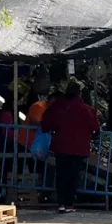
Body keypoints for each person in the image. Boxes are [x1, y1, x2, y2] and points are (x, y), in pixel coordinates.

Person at [41, 79, 101, 214]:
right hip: (79, 148)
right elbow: (95, 129)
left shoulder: (57, 106)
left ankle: (61, 203)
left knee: (61, 174)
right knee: (73, 176)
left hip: (61, 146)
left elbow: (46, 124)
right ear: (79, 93)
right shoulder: (86, 109)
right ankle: (69, 203)